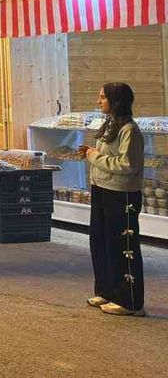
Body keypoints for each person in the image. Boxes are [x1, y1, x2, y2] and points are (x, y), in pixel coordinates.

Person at [78, 82, 146, 317]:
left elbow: (127, 164)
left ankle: (130, 301)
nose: (98, 102)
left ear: (116, 101)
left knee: (122, 246)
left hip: (121, 193)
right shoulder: (110, 124)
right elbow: (107, 155)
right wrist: (92, 153)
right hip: (102, 188)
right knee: (101, 242)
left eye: (103, 97)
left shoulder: (129, 130)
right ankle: (107, 291)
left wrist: (93, 156)